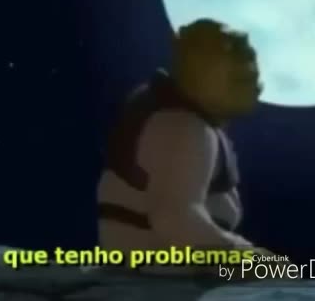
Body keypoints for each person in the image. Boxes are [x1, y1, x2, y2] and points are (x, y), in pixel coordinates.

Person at [97, 18, 281, 276]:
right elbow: (175, 218)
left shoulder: (172, 113)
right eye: (231, 49)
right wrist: (242, 255)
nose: (250, 57)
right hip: (159, 270)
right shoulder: (182, 126)